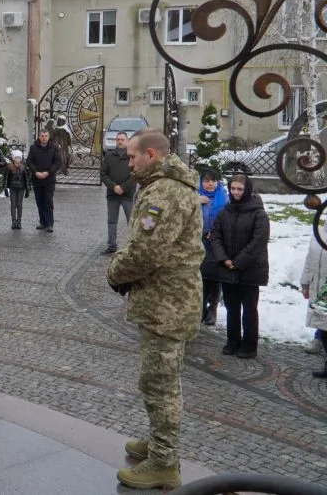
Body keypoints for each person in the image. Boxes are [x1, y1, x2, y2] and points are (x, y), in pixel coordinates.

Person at [107, 129, 203, 491]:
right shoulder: (164, 185)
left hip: (168, 303)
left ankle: (164, 462)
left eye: (132, 157)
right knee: (157, 379)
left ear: (151, 154)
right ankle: (158, 442)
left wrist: (115, 272)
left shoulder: (165, 191)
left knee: (160, 384)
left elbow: (147, 251)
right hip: (165, 300)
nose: (128, 163)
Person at [209, 174, 269, 359]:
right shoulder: (225, 211)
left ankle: (250, 344)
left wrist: (238, 262)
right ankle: (232, 340)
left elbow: (258, 241)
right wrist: (224, 258)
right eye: (233, 189)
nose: (236, 192)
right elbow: (216, 235)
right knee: (232, 307)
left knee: (249, 308)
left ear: (247, 190)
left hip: (250, 269)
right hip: (228, 268)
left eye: (239, 189)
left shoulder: (258, 213)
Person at [197, 170, 229, 326]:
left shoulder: (224, 197)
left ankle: (213, 308)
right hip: (199, 242)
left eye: (213, 181)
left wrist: (215, 233)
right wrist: (195, 201)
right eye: (207, 181)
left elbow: (227, 219)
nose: (210, 184)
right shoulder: (195, 196)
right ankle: (200, 307)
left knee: (215, 277)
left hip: (216, 242)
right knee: (200, 275)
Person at [101, 131, 137, 254]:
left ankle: (134, 246)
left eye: (122, 139)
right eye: (118, 139)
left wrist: (123, 187)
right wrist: (114, 187)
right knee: (111, 221)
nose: (120, 141)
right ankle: (112, 245)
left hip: (128, 195)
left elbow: (135, 175)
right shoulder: (109, 156)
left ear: (127, 141)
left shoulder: (132, 156)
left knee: (131, 221)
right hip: (112, 195)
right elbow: (103, 174)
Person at [300, 236, 327, 379]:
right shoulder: (319, 233)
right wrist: (305, 283)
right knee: (323, 328)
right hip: (319, 289)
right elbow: (310, 259)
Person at [27, 129, 61, 232]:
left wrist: (48, 172)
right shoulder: (33, 148)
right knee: (39, 201)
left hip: (49, 179)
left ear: (49, 136)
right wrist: (35, 172)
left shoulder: (54, 148)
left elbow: (58, 162)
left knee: (48, 201)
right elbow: (29, 161)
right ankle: (42, 222)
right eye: (42, 136)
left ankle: (50, 223)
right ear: (39, 137)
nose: (44, 138)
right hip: (37, 179)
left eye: (46, 136)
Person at [5, 150, 31, 230]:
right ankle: (13, 221)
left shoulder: (23, 167)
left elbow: (26, 179)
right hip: (12, 188)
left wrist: (27, 189)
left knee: (19, 205)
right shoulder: (10, 167)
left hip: (21, 189)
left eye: (19, 158)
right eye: (16, 158)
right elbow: (6, 178)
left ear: (21, 159)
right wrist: (5, 188)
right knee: (13, 205)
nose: (17, 159)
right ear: (13, 158)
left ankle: (19, 221)